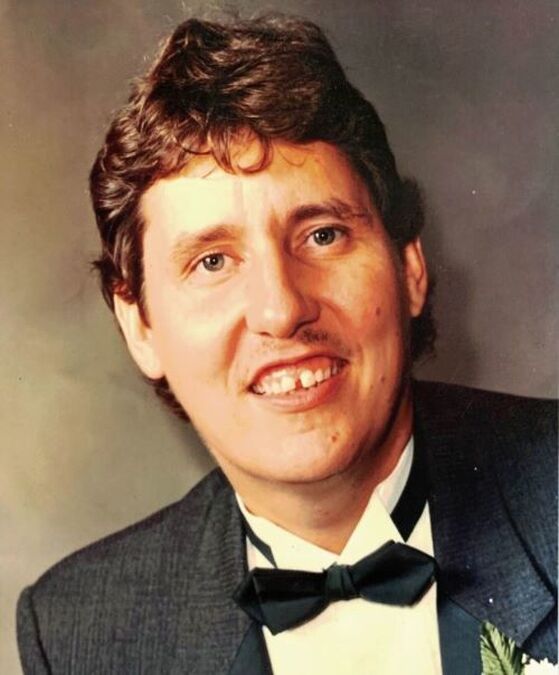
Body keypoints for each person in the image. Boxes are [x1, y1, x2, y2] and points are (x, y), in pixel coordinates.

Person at [16, 15, 556, 675]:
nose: (281, 309)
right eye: (212, 262)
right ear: (139, 326)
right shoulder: (78, 633)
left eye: (322, 235)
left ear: (409, 266)